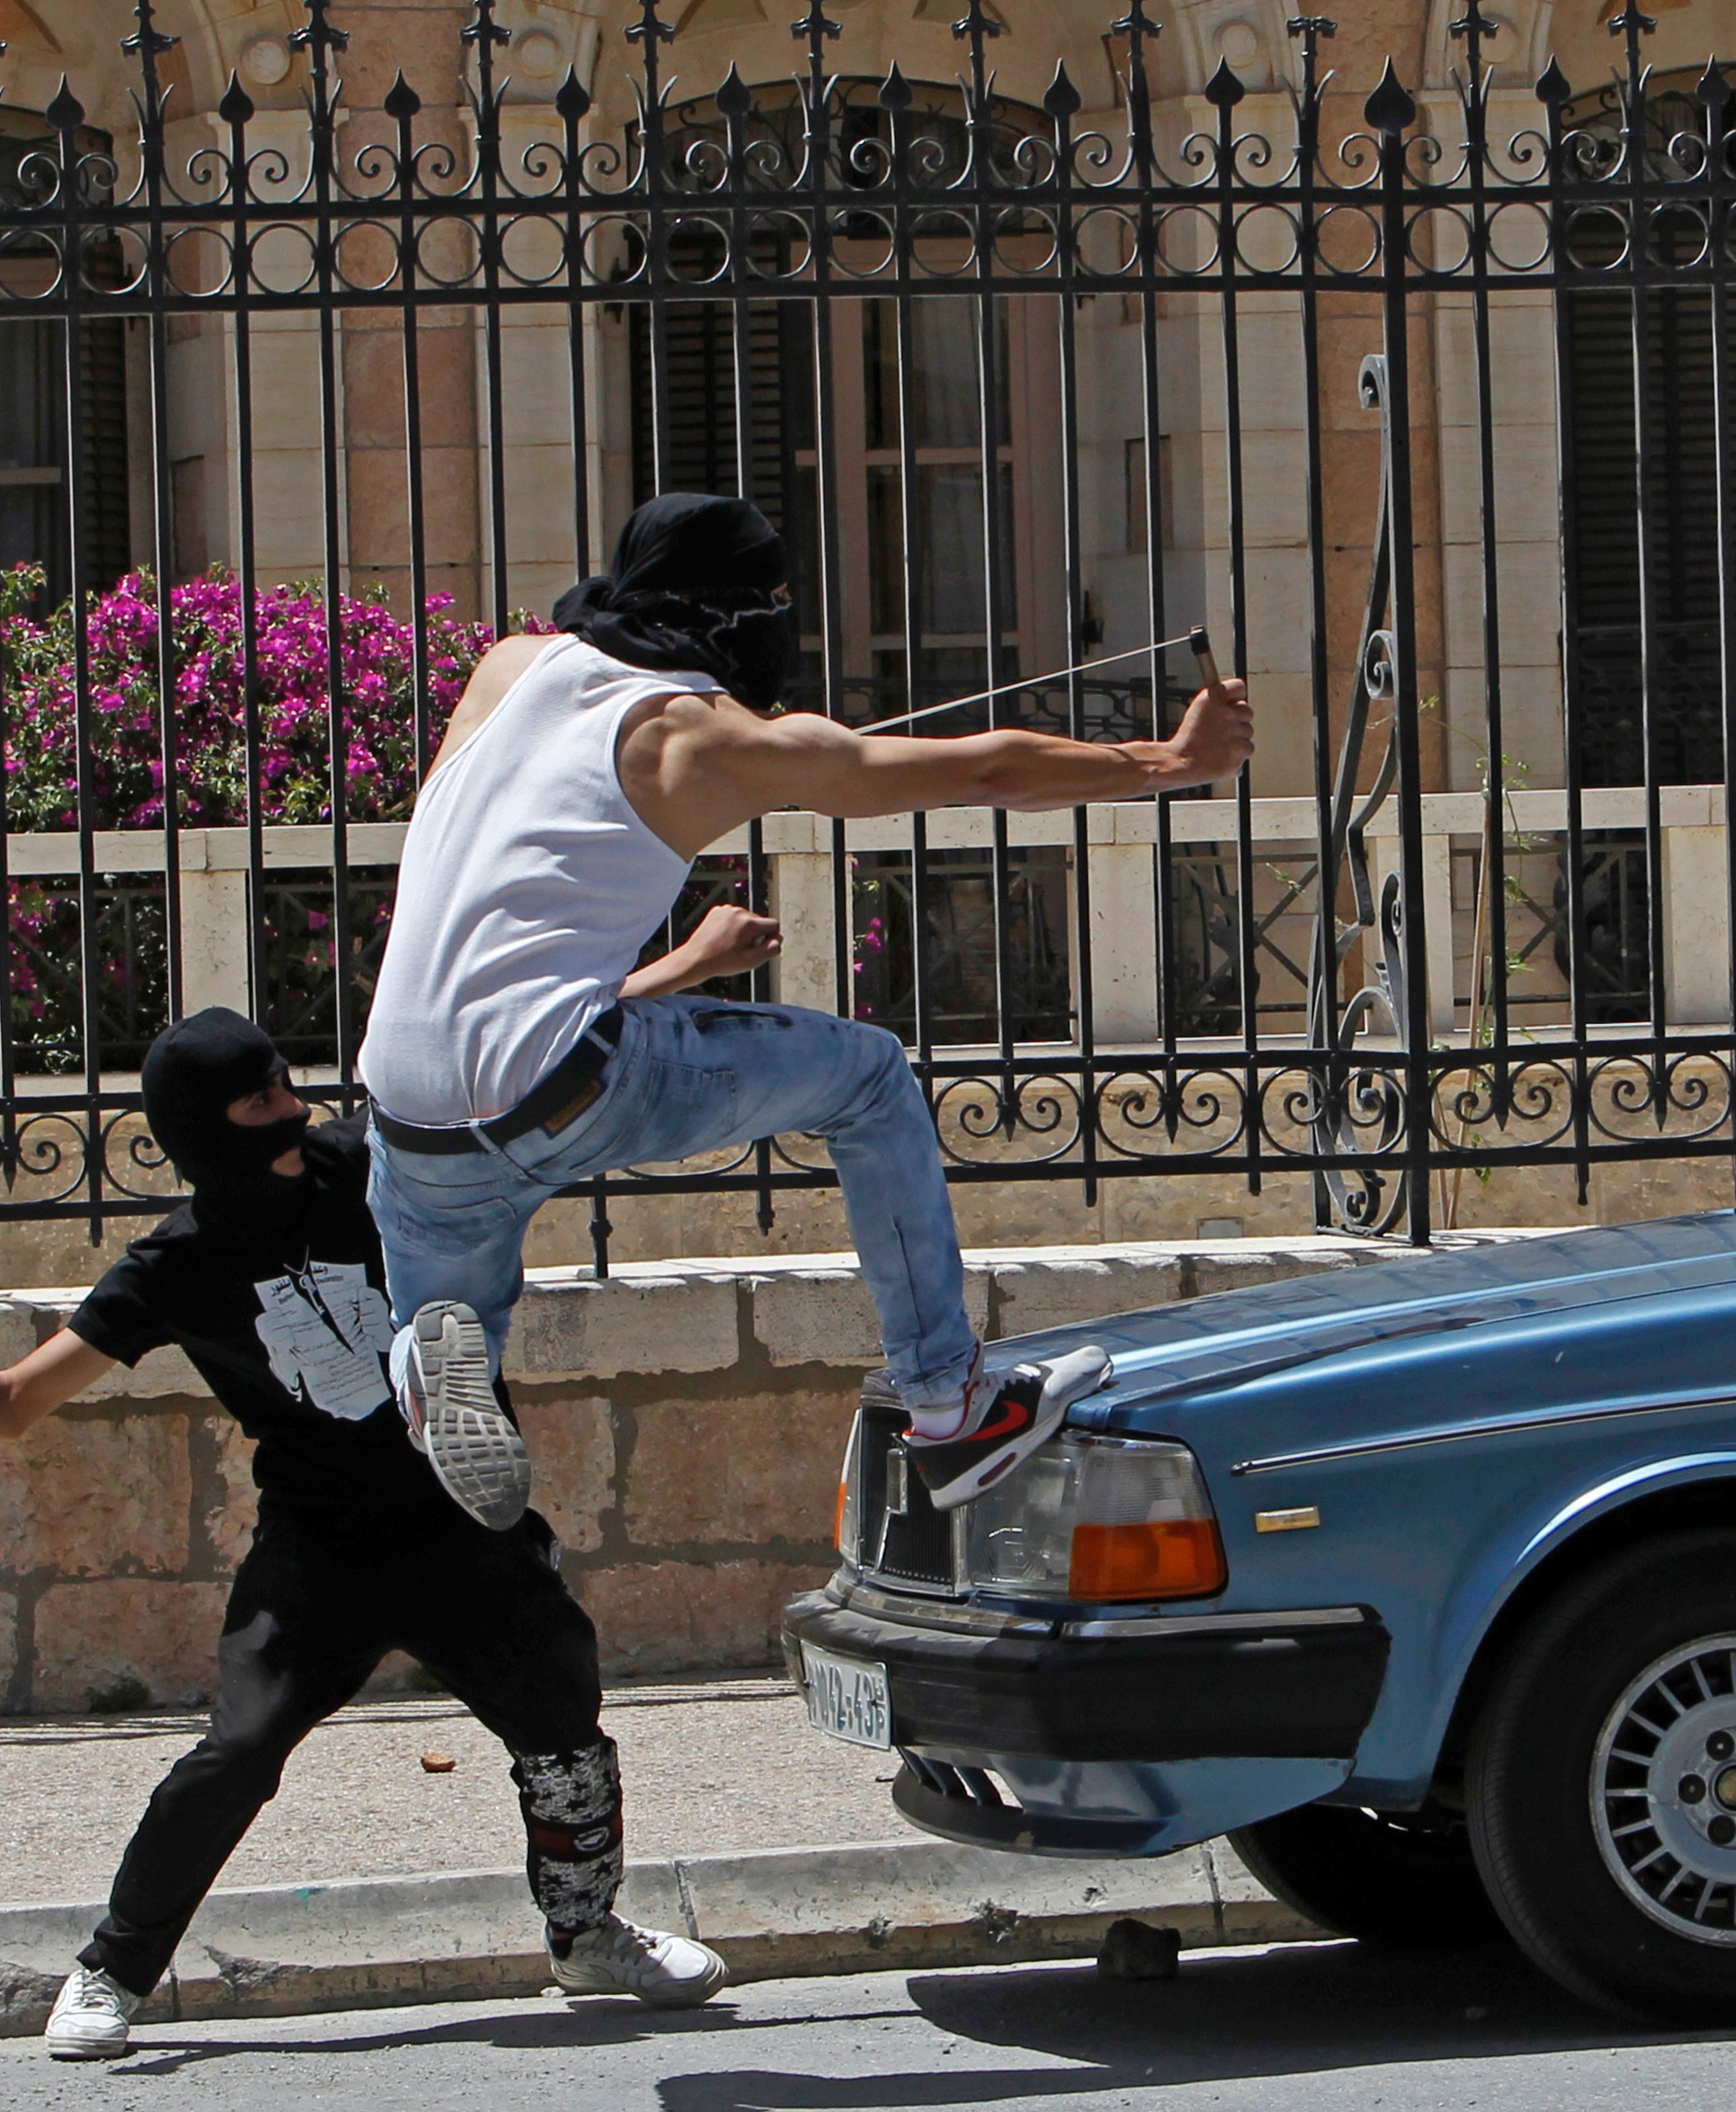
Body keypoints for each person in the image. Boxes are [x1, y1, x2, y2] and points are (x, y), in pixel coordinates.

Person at [0, 1001, 755, 2062]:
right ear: (210, 1130)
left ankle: (586, 1936)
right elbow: (7, 1404)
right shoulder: (173, 1266)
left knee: (564, 1729)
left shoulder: (372, 1167)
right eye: (261, 1096)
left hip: (463, 1525)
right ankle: (111, 1970)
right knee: (239, 1751)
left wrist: (677, 973)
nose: (293, 1104)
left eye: (284, 1079)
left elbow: (533, 1079)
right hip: (317, 1558)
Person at [363, 493, 1255, 1525]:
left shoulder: (507, 671)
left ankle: (420, 1356)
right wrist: (1170, 762)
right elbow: (984, 767)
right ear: (746, 613)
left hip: (405, 1100)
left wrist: (668, 976)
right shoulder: (703, 736)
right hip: (566, 1078)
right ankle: (949, 1405)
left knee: (452, 1311)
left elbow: (484, 910)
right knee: (869, 1077)